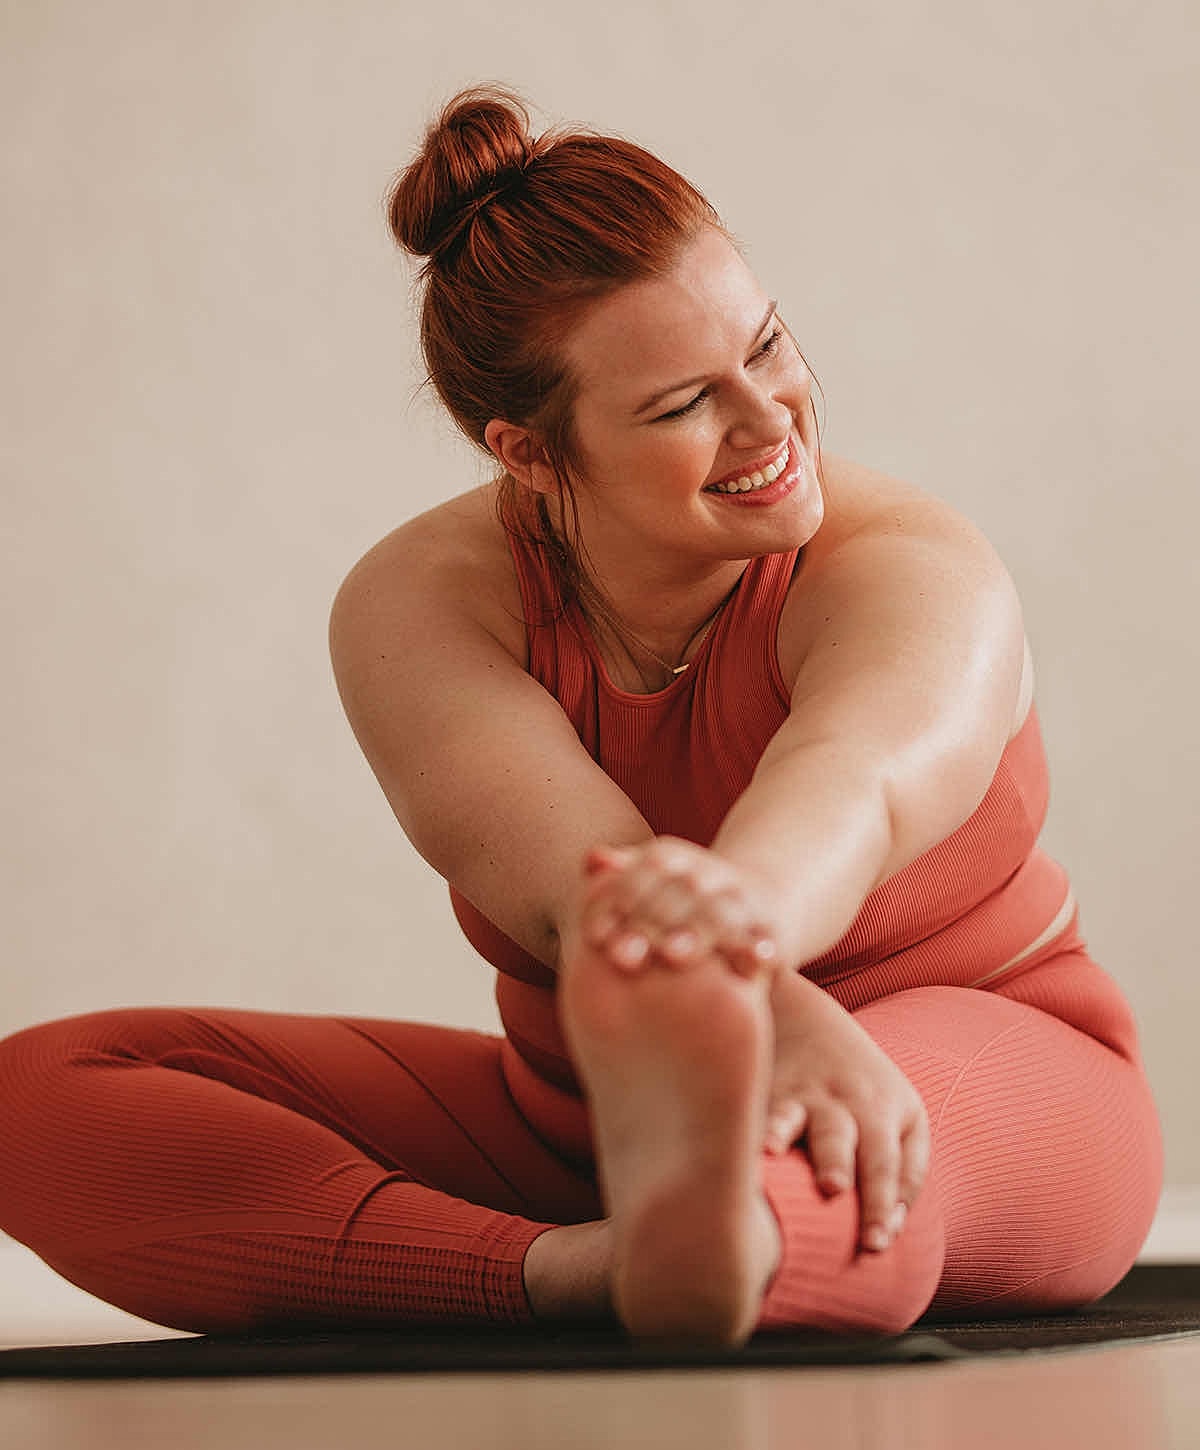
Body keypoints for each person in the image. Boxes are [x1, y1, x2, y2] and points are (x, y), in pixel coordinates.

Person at [0, 85, 1163, 1350]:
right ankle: (580, 1267)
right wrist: (733, 1017)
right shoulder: (423, 600)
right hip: (587, 1115)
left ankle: (737, 1227)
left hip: (990, 1063)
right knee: (42, 1096)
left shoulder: (910, 561)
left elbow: (855, 783)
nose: (772, 419)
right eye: (681, 406)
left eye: (767, 346)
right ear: (529, 452)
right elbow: (575, 885)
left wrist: (745, 970)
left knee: (856, 1156)